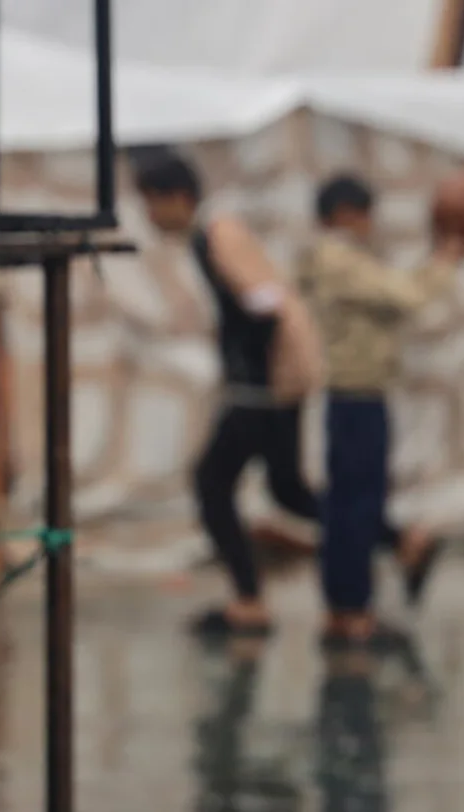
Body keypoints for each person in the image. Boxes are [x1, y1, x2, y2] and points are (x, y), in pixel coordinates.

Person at [134, 152, 327, 638]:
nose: (150, 216)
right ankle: (394, 536)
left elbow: (264, 302)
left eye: (152, 202)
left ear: (177, 198)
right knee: (289, 490)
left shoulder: (216, 236)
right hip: (265, 388)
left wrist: (255, 379)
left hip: (260, 391)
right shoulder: (212, 236)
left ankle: (249, 599)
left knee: (213, 483)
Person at [298, 174, 464, 647]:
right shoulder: (336, 257)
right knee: (354, 506)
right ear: (345, 214)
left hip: (358, 395)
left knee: (349, 505)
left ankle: (348, 604)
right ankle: (354, 605)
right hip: (356, 396)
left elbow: (395, 295)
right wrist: (446, 260)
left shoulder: (341, 260)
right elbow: (406, 294)